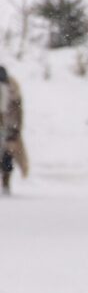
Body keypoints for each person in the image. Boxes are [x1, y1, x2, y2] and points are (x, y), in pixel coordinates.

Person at [0, 65, 28, 196]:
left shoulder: (12, 92)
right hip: (6, 128)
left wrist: (16, 130)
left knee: (8, 157)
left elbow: (18, 112)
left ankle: (6, 183)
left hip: (9, 129)